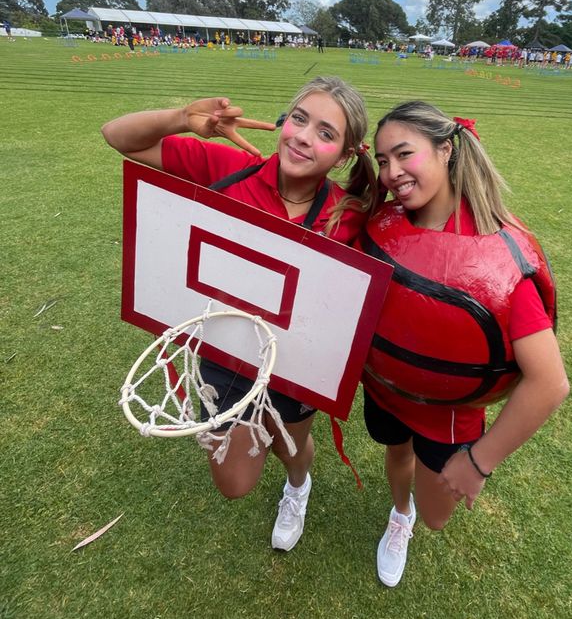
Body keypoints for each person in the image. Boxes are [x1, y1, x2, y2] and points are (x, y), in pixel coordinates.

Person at [102, 77, 377, 551]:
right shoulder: (231, 168)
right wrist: (182, 118)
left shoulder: (350, 213)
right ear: (283, 121)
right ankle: (255, 428)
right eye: (298, 119)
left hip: (296, 364)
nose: (303, 137)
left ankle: (297, 486)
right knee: (234, 483)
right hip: (223, 352)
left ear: (346, 153)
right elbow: (117, 136)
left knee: (290, 443)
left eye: (326, 134)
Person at [360, 101, 569, 587]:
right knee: (396, 452)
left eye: (403, 154)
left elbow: (550, 382)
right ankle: (398, 513)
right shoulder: (382, 223)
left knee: (438, 517)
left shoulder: (497, 258)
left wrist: (479, 462)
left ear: (446, 149)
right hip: (385, 387)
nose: (391, 171)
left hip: (447, 410)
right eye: (382, 159)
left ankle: (415, 514)